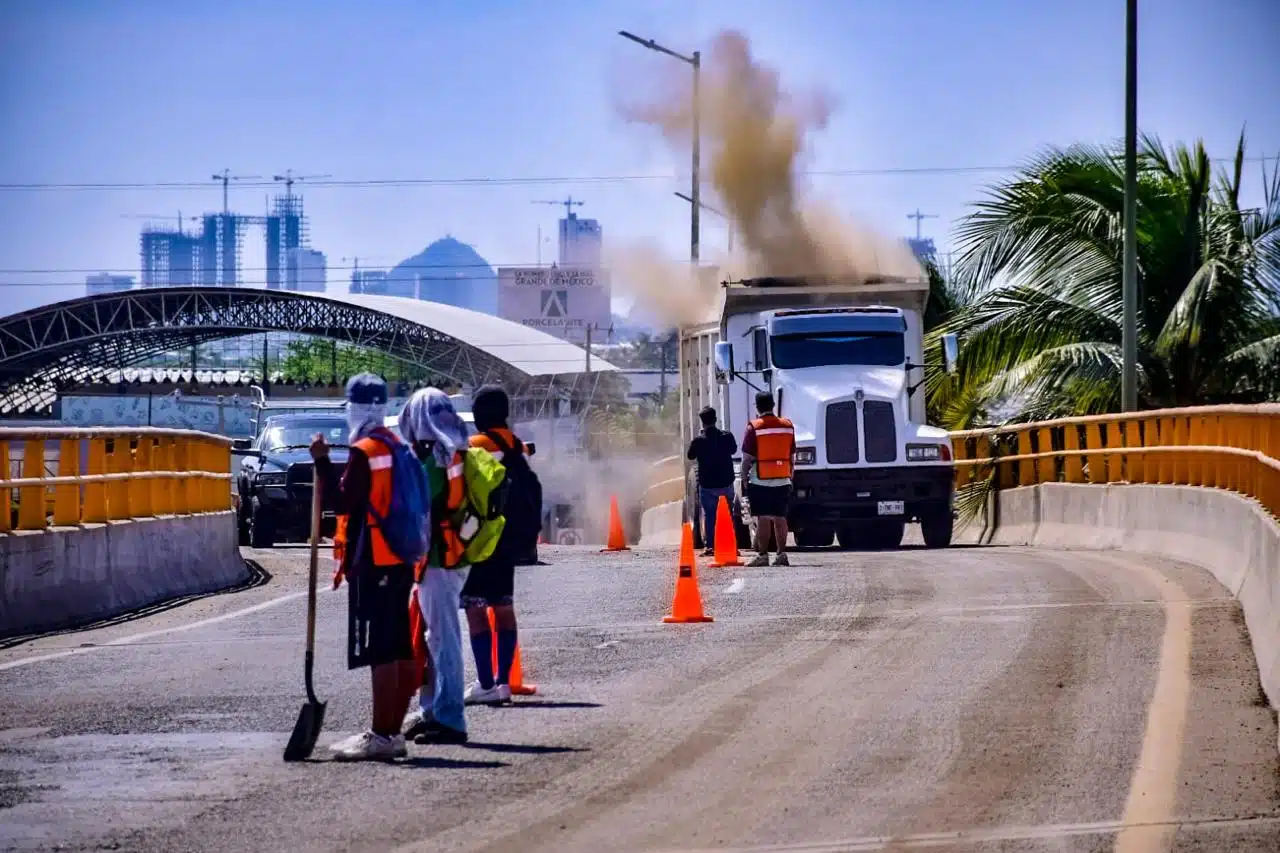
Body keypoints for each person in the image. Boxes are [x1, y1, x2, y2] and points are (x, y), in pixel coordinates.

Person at [312, 373, 416, 761]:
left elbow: (343, 502)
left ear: (353, 409)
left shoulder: (365, 452)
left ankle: (382, 734)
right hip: (403, 556)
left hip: (375, 557)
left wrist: (322, 463)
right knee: (400, 644)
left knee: (381, 649)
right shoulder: (396, 445)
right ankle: (395, 732)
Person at [399, 388, 472, 744]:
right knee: (435, 638)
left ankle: (450, 718)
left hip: (439, 559)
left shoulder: (432, 458)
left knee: (443, 639)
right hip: (451, 554)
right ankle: (432, 710)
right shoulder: (458, 449)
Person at [462, 384, 529, 705]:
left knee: (475, 609)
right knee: (504, 607)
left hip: (476, 541)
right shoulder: (516, 446)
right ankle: (504, 681)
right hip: (508, 541)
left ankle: (485, 681)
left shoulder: (471, 446)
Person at [740, 391, 796, 567]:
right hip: (783, 479)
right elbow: (792, 455)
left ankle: (763, 555)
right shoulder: (787, 426)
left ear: (757, 407)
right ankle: (781, 554)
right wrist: (789, 475)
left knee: (763, 518)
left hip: (760, 480)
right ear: (773, 405)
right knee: (780, 518)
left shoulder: (754, 427)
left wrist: (743, 479)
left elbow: (747, 459)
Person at [686, 405, 738, 556]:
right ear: (715, 420)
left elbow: (690, 456)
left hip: (707, 485)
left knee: (710, 515)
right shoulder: (727, 436)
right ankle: (732, 546)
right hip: (726, 483)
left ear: (702, 422)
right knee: (728, 515)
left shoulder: (698, 441)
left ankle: (710, 546)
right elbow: (734, 450)